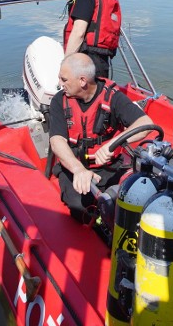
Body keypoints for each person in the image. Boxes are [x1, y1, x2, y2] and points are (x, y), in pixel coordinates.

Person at [48, 53, 152, 223]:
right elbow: (56, 141)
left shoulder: (114, 97)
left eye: (64, 79)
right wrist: (79, 170)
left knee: (132, 201)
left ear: (82, 81)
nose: (60, 84)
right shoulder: (59, 101)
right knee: (80, 208)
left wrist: (112, 145)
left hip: (109, 167)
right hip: (75, 168)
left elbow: (145, 123)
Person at [63, 0, 122, 79]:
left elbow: (79, 33)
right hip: (102, 61)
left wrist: (65, 64)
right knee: (97, 94)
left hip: (85, 60)